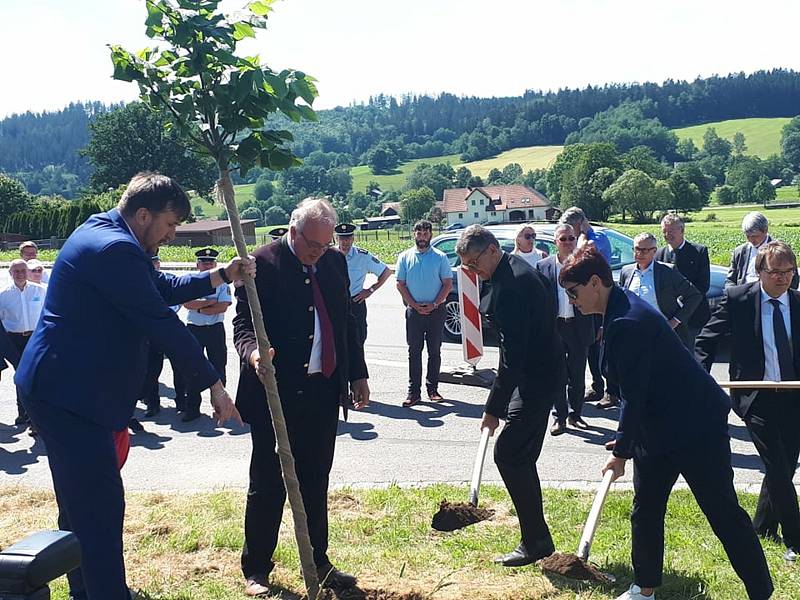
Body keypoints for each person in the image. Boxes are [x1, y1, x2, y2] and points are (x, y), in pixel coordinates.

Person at [15, 172, 249, 600]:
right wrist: (214, 382)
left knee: (81, 504)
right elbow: (159, 319)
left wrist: (218, 276)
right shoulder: (114, 248)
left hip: (63, 387)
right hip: (69, 396)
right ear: (143, 215)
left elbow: (155, 288)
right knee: (100, 508)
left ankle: (88, 589)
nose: (172, 235)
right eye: (169, 225)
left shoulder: (106, 231)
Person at [560, 246, 774, 600]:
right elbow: (638, 391)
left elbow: (635, 393)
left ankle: (761, 592)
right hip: (657, 429)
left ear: (595, 283)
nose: (572, 301)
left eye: (574, 292)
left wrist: (622, 452)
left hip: (696, 427)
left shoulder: (627, 320)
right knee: (646, 508)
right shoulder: (617, 308)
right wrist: (626, 440)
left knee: (722, 512)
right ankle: (644, 590)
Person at [233, 197, 369, 596]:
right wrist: (254, 353)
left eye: (324, 246)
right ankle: (256, 567)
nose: (318, 253)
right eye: (312, 245)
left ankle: (318, 561)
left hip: (322, 391)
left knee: (315, 480)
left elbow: (345, 321)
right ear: (293, 232)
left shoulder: (333, 262)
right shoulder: (263, 263)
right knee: (268, 483)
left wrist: (356, 373)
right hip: (276, 395)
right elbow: (243, 323)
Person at [456, 224, 565, 567]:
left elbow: (513, 356)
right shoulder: (508, 273)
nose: (472, 271)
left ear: (491, 249)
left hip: (536, 379)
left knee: (509, 453)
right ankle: (537, 538)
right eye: (467, 267)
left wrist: (493, 408)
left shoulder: (514, 285)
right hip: (533, 376)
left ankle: (536, 541)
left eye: (474, 263)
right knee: (519, 455)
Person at [696, 241, 800, 563]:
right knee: (778, 468)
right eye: (775, 272)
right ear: (759, 272)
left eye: (789, 272)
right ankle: (795, 540)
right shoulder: (738, 299)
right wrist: (698, 380)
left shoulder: (798, 302)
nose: (783, 279)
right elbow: (706, 340)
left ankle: (762, 527)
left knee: (783, 465)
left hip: (795, 396)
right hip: (757, 396)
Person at [536, 224, 594, 434]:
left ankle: (575, 414)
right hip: (555, 326)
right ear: (555, 242)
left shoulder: (585, 265)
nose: (569, 242)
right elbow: (539, 301)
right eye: (564, 239)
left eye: (572, 238)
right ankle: (559, 416)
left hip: (579, 327)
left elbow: (596, 297)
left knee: (577, 374)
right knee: (557, 374)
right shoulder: (543, 266)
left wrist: (598, 326)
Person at [396, 219, 453, 406]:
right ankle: (414, 393)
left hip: (436, 310)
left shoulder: (440, 257)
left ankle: (433, 389)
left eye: (426, 233)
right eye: (419, 234)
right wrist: (413, 304)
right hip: (414, 311)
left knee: (434, 351)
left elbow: (447, 283)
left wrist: (435, 304)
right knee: (414, 352)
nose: (422, 237)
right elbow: (400, 284)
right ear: (414, 234)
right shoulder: (405, 257)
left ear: (431, 235)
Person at [561, 206, 614, 407]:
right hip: (587, 297)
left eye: (572, 229)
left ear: (580, 224)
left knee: (600, 345)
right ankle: (598, 386)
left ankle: (610, 390)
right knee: (592, 345)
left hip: (598, 296)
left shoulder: (596, 237)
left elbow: (582, 254)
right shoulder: (584, 236)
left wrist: (582, 236)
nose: (570, 235)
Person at [619, 233, 702, 350]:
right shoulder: (626, 271)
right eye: (637, 249)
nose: (640, 253)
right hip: (634, 333)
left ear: (654, 251)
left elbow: (694, 295)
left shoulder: (667, 271)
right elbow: (621, 301)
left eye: (645, 250)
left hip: (661, 333)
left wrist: (675, 321)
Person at [181, 247, 232, 422]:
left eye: (210, 262)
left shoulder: (222, 283)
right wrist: (209, 304)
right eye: (204, 262)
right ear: (198, 265)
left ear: (215, 264)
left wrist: (200, 306)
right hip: (194, 328)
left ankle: (219, 407)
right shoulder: (190, 281)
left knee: (219, 368)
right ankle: (192, 408)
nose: (207, 264)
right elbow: (187, 303)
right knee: (193, 368)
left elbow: (223, 306)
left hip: (215, 329)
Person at [0, 259, 46, 430]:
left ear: (28, 272)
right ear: (10, 273)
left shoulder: (41, 291)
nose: (20, 274)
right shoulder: (3, 295)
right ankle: (24, 413)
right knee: (21, 377)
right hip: (13, 340)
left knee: (34, 377)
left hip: (35, 338)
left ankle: (32, 417)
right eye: (16, 271)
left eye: (22, 270)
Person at [654, 214, 711, 348]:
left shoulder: (698, 252)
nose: (667, 235)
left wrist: (682, 305)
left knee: (692, 358)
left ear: (682, 230)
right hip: (666, 317)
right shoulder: (658, 255)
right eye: (664, 231)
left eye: (671, 231)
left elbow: (703, 285)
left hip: (693, 316)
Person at [335, 222, 391, 345]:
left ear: (353, 238)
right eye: (342, 239)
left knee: (358, 340)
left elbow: (386, 272)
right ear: (336, 238)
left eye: (348, 238)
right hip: (336, 304)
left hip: (356, 303)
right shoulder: (328, 255)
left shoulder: (362, 256)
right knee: (337, 343)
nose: (345, 242)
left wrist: (370, 290)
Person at [727, 211, 799, 289]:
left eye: (755, 236)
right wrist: (733, 295)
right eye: (748, 236)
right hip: (743, 296)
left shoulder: (781, 251)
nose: (751, 240)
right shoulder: (739, 252)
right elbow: (730, 280)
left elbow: (793, 281)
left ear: (765, 230)